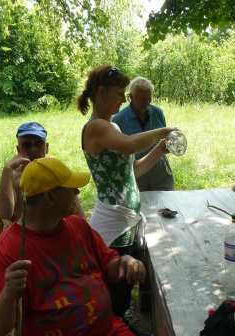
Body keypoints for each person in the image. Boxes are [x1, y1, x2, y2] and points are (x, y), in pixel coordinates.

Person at [0, 157, 146, 336]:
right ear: (50, 197)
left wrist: (125, 261)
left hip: (109, 330)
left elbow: (108, 266)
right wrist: (8, 292)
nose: (77, 192)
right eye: (70, 188)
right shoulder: (10, 248)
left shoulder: (78, 225)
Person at [77, 64, 178, 320]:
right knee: (115, 286)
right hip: (112, 223)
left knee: (124, 283)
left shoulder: (113, 127)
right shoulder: (96, 127)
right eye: (120, 92)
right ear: (101, 92)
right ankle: (109, 326)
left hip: (125, 221)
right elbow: (133, 144)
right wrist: (164, 131)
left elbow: (133, 171)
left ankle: (115, 324)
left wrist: (159, 150)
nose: (124, 99)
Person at [0, 122, 86, 238]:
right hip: (27, 240)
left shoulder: (57, 173)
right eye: (27, 145)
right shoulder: (14, 177)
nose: (33, 149)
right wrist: (7, 170)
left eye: (38, 143)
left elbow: (80, 217)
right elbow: (4, 212)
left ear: (46, 147)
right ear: (18, 149)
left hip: (59, 235)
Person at [112, 76, 174, 191]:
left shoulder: (158, 113)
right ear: (131, 97)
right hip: (136, 170)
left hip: (159, 168)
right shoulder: (118, 119)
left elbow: (164, 139)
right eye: (142, 99)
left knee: (167, 203)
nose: (146, 103)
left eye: (149, 98)